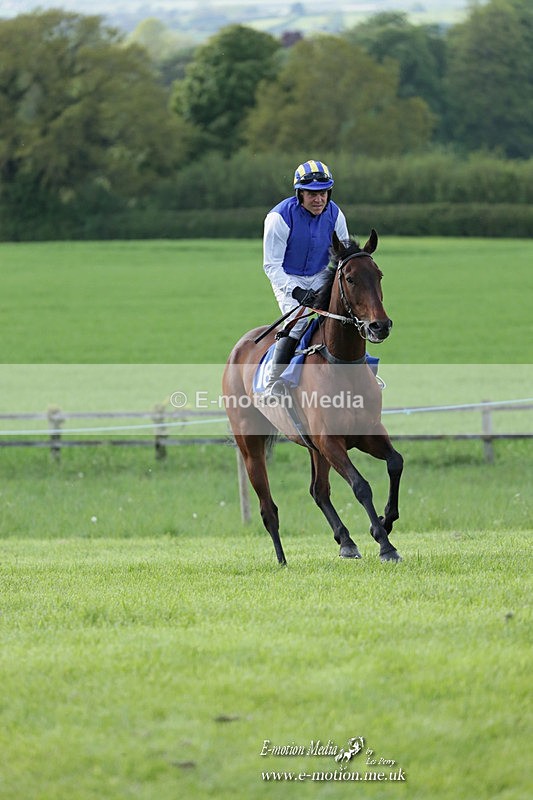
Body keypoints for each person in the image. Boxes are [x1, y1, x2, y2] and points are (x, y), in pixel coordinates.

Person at [262, 159, 349, 397]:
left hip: (321, 275)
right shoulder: (278, 218)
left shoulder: (336, 214)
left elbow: (343, 255)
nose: (319, 199)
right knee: (299, 321)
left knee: (347, 316)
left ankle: (362, 371)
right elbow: (271, 266)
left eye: (323, 193)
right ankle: (273, 380)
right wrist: (297, 291)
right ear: (299, 194)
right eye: (312, 194)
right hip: (288, 278)